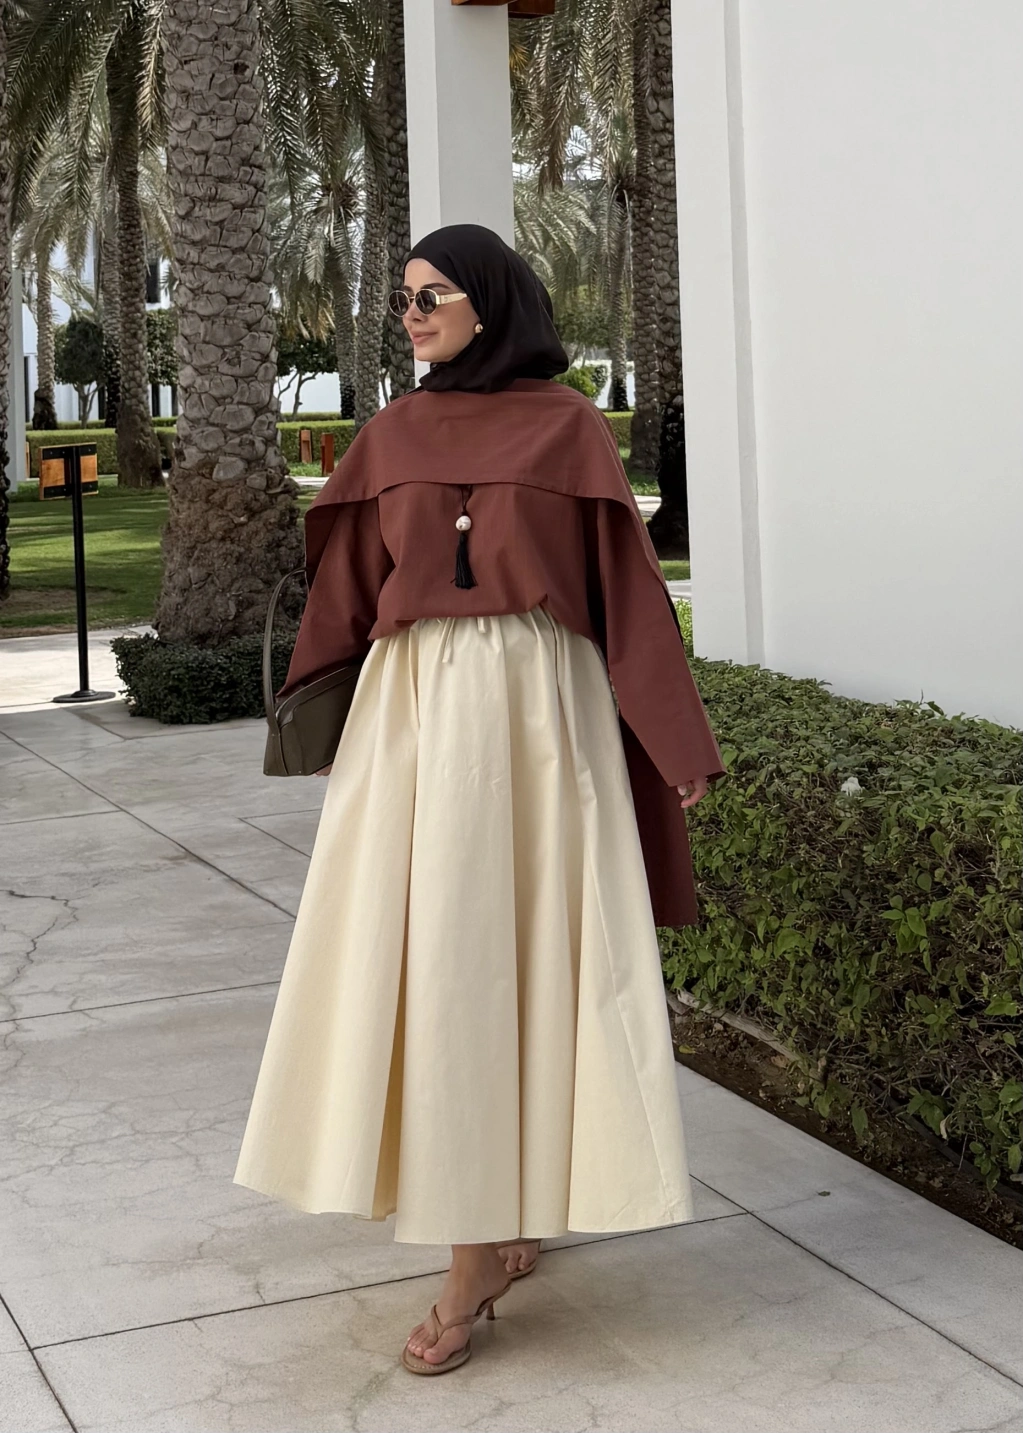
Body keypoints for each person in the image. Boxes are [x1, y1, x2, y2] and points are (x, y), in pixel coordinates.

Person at [233, 223, 725, 1376]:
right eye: (404, 297)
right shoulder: (394, 431)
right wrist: (315, 714)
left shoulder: (567, 427)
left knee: (531, 962)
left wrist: (675, 739)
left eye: (433, 295)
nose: (410, 315)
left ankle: (492, 1237)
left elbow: (626, 592)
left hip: (540, 713)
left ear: (490, 305)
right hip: (414, 720)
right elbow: (347, 586)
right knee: (445, 968)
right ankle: (478, 1241)